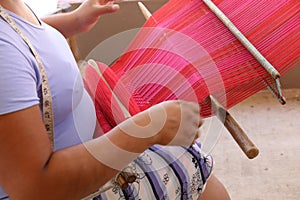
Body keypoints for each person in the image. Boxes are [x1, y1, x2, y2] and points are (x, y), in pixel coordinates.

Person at [0, 0, 231, 199]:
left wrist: (71, 21)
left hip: (78, 155)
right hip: (65, 189)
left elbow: (22, 38)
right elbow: (35, 190)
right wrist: (147, 129)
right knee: (190, 163)